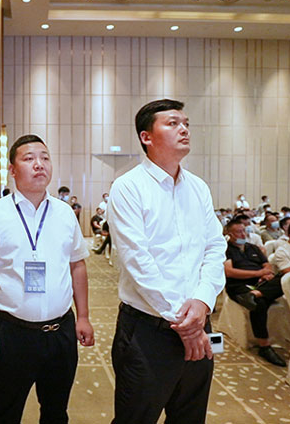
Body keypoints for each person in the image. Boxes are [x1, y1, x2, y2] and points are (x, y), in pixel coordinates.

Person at [107, 99, 227, 424]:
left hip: (199, 323)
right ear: (146, 137)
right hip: (149, 331)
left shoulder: (198, 188)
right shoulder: (128, 187)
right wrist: (185, 324)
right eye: (172, 123)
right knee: (136, 418)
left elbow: (215, 248)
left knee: (190, 416)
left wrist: (202, 302)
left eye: (186, 123)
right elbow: (138, 261)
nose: (184, 129)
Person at [0, 134, 94, 424]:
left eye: (45, 158)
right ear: (12, 170)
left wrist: (83, 316)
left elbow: (77, 265)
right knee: (7, 411)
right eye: (29, 158)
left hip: (61, 331)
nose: (39, 164)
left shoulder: (65, 213)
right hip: (12, 333)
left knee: (56, 412)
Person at [224, 219, 286, 367]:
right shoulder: (226, 249)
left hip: (260, 283)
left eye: (244, 231)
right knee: (260, 304)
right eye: (238, 232)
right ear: (229, 234)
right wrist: (258, 273)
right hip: (239, 286)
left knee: (285, 279)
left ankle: (255, 294)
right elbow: (229, 272)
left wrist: (267, 274)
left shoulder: (253, 248)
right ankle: (264, 346)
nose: (243, 234)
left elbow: (267, 265)